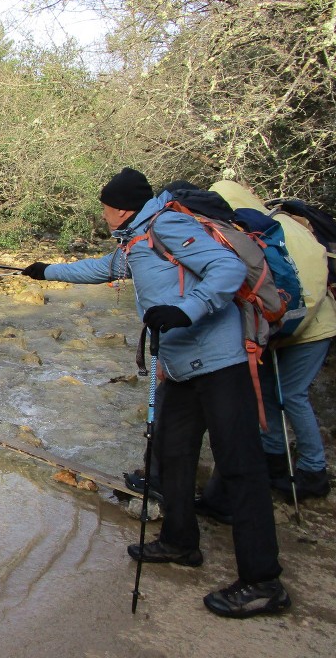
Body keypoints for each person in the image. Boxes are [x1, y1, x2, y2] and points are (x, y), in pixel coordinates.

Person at [21, 167, 289, 619]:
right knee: (171, 454)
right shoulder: (138, 238)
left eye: (104, 205)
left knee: (241, 467)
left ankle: (263, 582)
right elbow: (106, 268)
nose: (103, 212)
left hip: (222, 364)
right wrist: (48, 271)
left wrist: (186, 310)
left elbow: (227, 267)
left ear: (120, 206)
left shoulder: (166, 224)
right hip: (183, 368)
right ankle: (181, 542)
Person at [194, 180, 334, 515]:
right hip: (298, 323)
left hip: (304, 329)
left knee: (292, 393)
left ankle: (314, 470)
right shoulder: (274, 224)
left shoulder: (245, 232)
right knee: (271, 392)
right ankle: (273, 460)